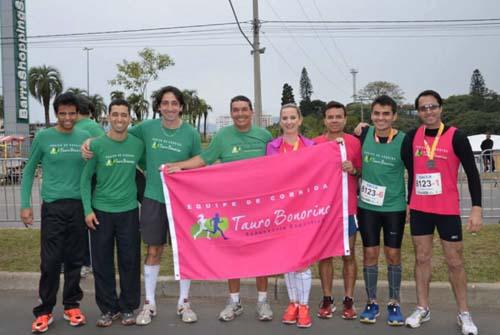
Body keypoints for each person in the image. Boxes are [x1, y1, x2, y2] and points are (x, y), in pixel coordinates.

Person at [83, 86, 201, 325]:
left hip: (182, 201)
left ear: (180, 106)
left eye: (174, 103)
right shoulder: (145, 129)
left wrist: (180, 167)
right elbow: (117, 133)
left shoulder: (191, 133)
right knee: (153, 250)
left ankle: (184, 303)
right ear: (158, 106)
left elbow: (200, 160)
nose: (169, 107)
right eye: (165, 103)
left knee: (184, 252)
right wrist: (89, 141)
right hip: (153, 199)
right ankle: (148, 304)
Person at [165, 95, 274, 322]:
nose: (240, 114)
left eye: (244, 109)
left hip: (260, 208)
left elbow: (278, 166)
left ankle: (263, 301)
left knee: (262, 254)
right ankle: (234, 302)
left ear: (252, 112)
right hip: (232, 207)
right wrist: (178, 166)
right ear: (231, 113)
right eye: (236, 110)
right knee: (233, 252)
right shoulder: (223, 136)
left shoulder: (264, 136)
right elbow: (204, 159)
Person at [402, 90, 482, 335]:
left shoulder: (456, 136)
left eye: (432, 106)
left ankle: (464, 313)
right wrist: (408, 202)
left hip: (447, 209)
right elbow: (412, 172)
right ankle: (422, 308)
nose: (428, 111)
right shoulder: (411, 137)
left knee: (455, 261)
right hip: (420, 209)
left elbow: (472, 173)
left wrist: (477, 208)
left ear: (440, 108)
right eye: (423, 108)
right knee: (422, 258)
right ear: (418, 112)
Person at [20, 92, 90, 333]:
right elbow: (28, 171)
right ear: (56, 113)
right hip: (52, 208)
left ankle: (72, 305)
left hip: (78, 207)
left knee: (75, 261)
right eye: (63, 113)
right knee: (50, 262)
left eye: (72, 113)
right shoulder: (44, 137)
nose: (68, 117)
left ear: (77, 114)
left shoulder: (86, 136)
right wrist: (25, 205)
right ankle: (45, 310)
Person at [80, 99, 144, 327]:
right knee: (102, 263)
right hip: (101, 213)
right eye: (115, 114)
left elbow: (152, 167)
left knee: (129, 261)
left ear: (129, 118)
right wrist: (87, 210)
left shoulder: (137, 145)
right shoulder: (96, 145)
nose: (119, 119)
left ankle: (128, 308)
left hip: (128, 212)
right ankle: (108, 309)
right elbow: (85, 180)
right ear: (108, 117)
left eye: (123, 115)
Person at [354, 95, 407, 326]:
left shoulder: (404, 140)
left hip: (394, 207)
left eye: (386, 114)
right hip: (367, 207)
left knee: (393, 255)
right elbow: (354, 163)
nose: (381, 118)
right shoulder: (363, 134)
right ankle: (372, 302)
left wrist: (412, 202)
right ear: (371, 115)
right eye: (377, 113)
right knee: (370, 254)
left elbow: (415, 172)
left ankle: (394, 302)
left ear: (394, 116)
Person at [266, 103, 315, 328]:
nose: (288, 122)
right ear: (280, 121)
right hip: (282, 211)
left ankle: (304, 306)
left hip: (305, 211)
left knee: (303, 261)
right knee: (287, 259)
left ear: (300, 120)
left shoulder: (312, 146)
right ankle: (293, 303)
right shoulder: (272, 147)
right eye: (284, 118)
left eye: (292, 117)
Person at [313, 101, 361, 321]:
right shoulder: (315, 144)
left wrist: (354, 170)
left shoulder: (354, 143)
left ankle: (349, 300)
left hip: (347, 209)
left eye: (338, 116)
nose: (334, 120)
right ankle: (327, 299)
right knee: (324, 256)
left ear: (345, 119)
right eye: (330, 117)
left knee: (348, 254)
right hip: (323, 210)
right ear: (324, 120)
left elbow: (363, 171)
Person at [74, 94, 105, 278]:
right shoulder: (96, 127)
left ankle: (86, 262)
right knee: (90, 224)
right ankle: (89, 261)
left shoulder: (75, 128)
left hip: (81, 182)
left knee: (84, 224)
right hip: (93, 180)